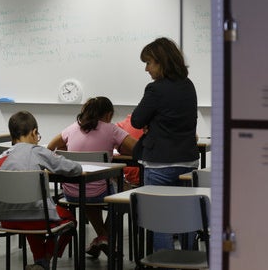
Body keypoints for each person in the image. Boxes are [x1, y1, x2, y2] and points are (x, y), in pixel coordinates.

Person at [130, 37, 199, 252]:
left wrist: (151, 123)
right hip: (188, 161)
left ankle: (164, 263)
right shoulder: (189, 86)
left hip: (160, 163)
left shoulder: (155, 89)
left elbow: (136, 121)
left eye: (149, 63)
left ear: (161, 62)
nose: (146, 69)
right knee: (187, 216)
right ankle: (190, 262)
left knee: (161, 220)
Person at [47, 96, 136, 258]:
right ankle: (104, 237)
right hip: (98, 191)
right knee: (128, 194)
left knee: (86, 191)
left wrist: (68, 147)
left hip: (71, 191)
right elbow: (136, 149)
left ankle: (101, 239)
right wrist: (121, 148)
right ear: (108, 115)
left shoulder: (72, 128)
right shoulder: (111, 129)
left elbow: (51, 146)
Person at [0, 111, 83, 270]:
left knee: (27, 214)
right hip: (37, 218)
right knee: (69, 218)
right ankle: (44, 261)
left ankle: (39, 261)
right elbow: (75, 169)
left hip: (6, 218)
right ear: (34, 132)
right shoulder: (38, 151)